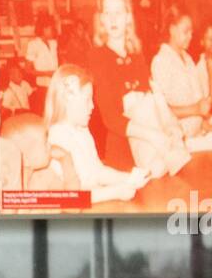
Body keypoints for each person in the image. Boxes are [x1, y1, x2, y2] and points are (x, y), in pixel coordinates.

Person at [44, 65, 149, 204]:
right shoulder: (57, 137)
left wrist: (129, 178)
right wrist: (115, 192)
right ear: (68, 100)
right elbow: (72, 196)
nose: (92, 106)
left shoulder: (82, 130)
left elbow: (97, 171)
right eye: (87, 99)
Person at [86, 0, 152, 172]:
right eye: (108, 13)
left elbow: (148, 101)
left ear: (128, 17)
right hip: (121, 157)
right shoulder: (96, 57)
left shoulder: (138, 55)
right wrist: (153, 135)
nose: (113, 19)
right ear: (101, 20)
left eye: (119, 12)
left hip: (148, 150)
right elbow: (111, 118)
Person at [149, 7, 210, 137]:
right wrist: (196, 109)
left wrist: (208, 127)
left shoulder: (188, 59)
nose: (190, 36)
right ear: (172, 30)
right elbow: (162, 110)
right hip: (177, 140)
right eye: (186, 31)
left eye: (191, 32)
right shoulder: (161, 61)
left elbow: (196, 102)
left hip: (197, 137)